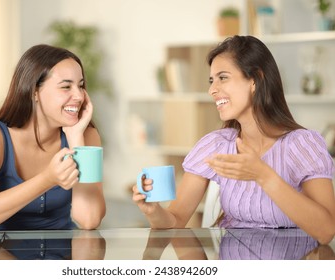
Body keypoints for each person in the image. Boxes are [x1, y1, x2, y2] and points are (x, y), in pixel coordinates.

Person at [133, 35, 335, 245]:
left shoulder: (303, 145)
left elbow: (326, 230)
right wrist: (153, 210)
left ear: (255, 80)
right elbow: (176, 221)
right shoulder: (216, 145)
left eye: (223, 77)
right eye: (211, 80)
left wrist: (263, 175)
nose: (212, 89)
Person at [0, 44, 106, 236]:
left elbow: (89, 219)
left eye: (80, 86)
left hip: (62, 259)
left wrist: (76, 139)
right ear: (34, 92)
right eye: (66, 86)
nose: (79, 96)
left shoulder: (86, 135)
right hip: (0, 256)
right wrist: (47, 179)